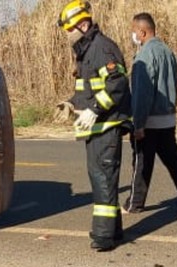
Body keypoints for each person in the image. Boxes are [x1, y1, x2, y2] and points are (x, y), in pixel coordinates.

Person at [56, 1, 131, 252]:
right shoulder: (86, 52)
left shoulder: (102, 48)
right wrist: (70, 103)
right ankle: (114, 231)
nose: (67, 36)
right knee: (103, 180)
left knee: (103, 179)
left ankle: (103, 236)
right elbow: (86, 91)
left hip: (107, 126)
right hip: (96, 128)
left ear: (83, 24)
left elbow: (117, 85)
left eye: (69, 30)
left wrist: (95, 109)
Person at [125, 12, 177, 215]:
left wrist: (138, 124)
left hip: (150, 120)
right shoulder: (168, 52)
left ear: (142, 32)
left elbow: (142, 93)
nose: (133, 35)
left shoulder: (145, 56)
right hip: (168, 118)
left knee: (141, 163)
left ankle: (134, 204)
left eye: (134, 31)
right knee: (174, 161)